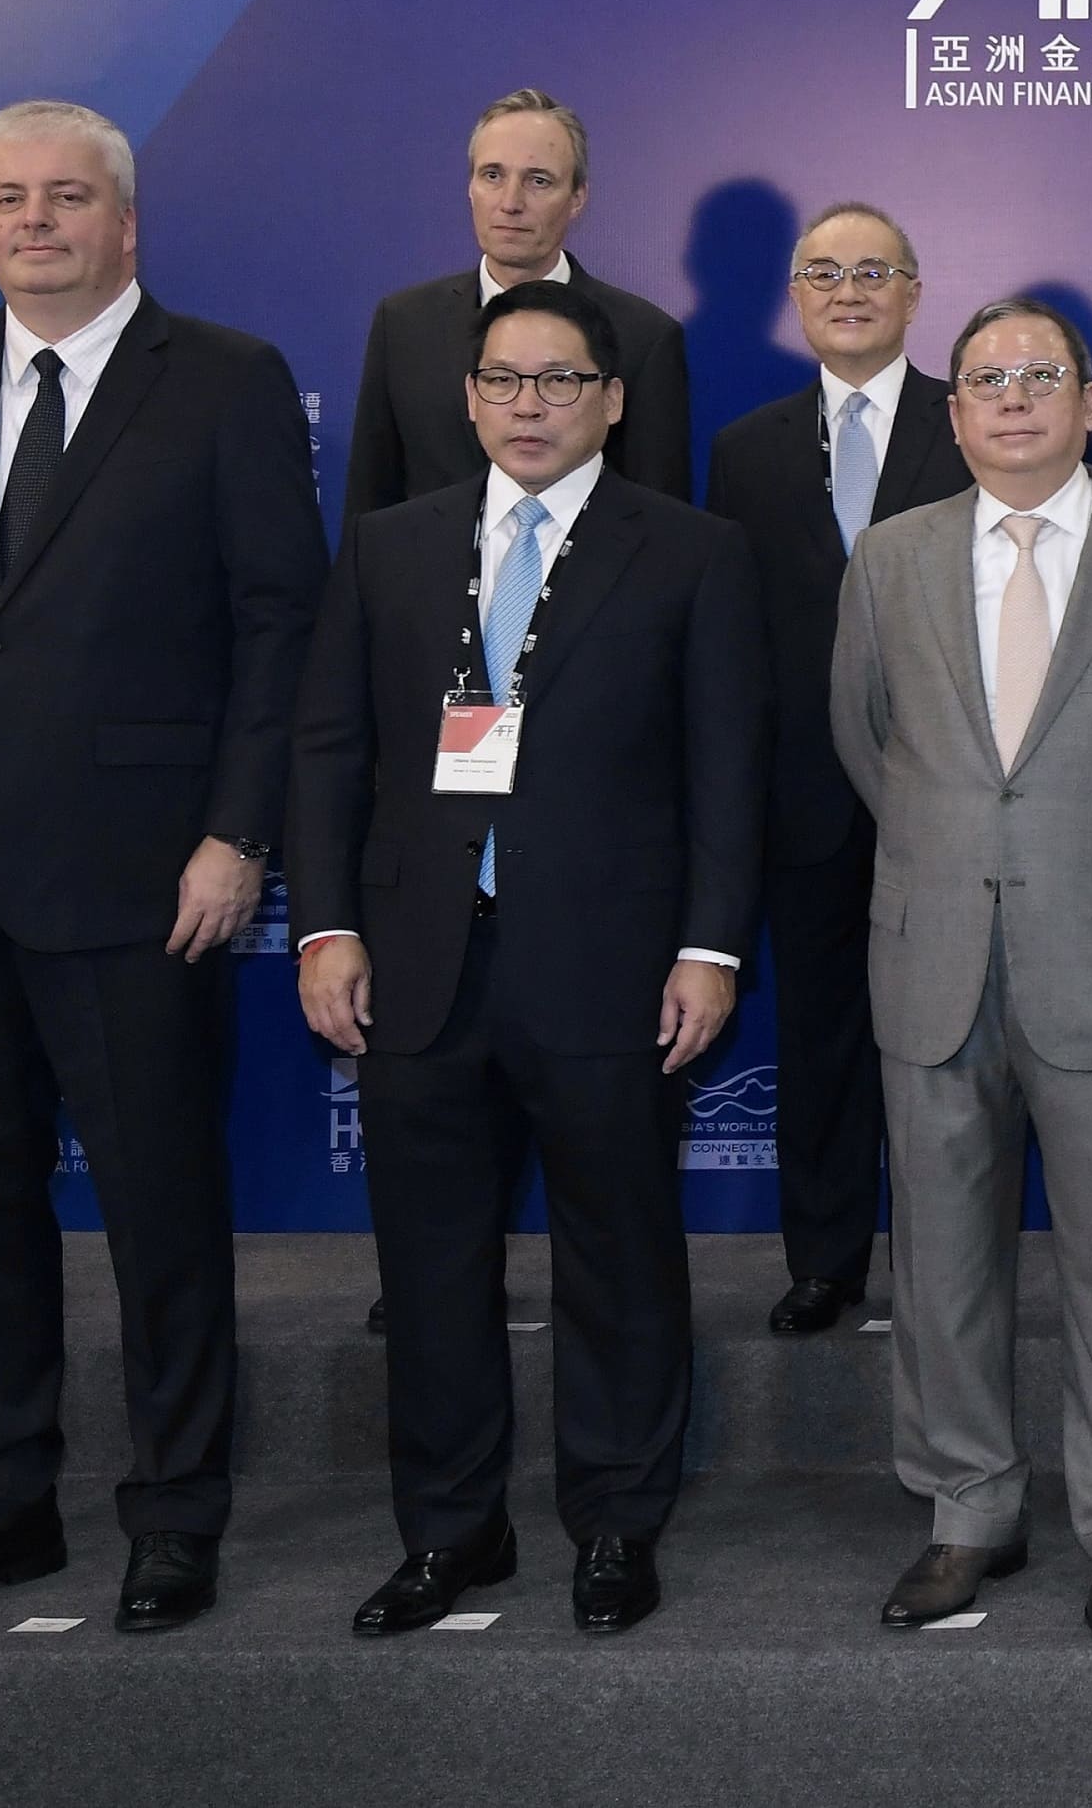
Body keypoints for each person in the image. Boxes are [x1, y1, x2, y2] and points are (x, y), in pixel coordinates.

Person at [0, 99, 326, 1636]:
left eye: (68, 196)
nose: (37, 221)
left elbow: (279, 625)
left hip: (146, 878)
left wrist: (238, 835)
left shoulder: (224, 377)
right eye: (9, 198)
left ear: (126, 219)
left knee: (163, 1213)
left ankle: (173, 1512)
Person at [289, 287, 759, 1635]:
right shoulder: (391, 545)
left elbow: (726, 770)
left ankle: (615, 1521)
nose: (531, 404)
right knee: (432, 1267)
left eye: (561, 381)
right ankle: (450, 1530)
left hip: (614, 963)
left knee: (618, 1257)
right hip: (419, 965)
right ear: (469, 396)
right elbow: (327, 746)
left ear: (614, 397)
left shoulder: (688, 550)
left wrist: (711, 943)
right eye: (505, 380)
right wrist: (324, 923)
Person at [829, 298, 1092, 1639]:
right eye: (986, 378)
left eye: (1041, 375)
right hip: (936, 950)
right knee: (942, 1259)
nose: (1013, 397)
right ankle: (968, 1507)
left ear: (1089, 401)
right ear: (953, 413)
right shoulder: (890, 557)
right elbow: (867, 737)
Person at [700, 200, 964, 1337]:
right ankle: (825, 1256)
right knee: (817, 1031)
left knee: (955, 1039)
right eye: (822, 272)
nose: (847, 289)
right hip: (803, 794)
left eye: (872, 270)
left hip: (952, 788)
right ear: (795, 297)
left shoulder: (975, 420)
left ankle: (951, 1266)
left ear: (914, 292)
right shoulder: (746, 448)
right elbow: (730, 636)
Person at [343, 88, 694, 515]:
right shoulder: (403, 323)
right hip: (428, 577)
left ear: (578, 197)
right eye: (492, 175)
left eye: (538, 181)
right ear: (470, 187)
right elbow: (370, 501)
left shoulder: (643, 337)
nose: (511, 203)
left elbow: (661, 522)